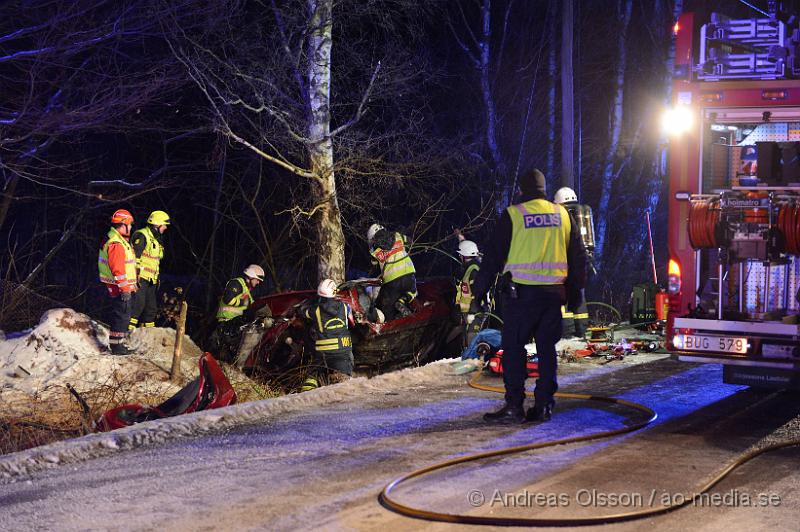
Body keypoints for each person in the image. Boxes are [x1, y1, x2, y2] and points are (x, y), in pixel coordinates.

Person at [471, 169, 586, 424]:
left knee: (513, 350)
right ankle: (544, 405)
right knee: (547, 350)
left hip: (520, 296)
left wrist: (479, 293)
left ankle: (514, 406)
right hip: (553, 295)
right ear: (545, 190)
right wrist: (576, 292)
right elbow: (578, 258)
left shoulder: (514, 215)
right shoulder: (563, 216)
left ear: (521, 190)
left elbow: (492, 258)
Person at [300, 278, 355, 391]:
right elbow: (352, 318)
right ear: (334, 292)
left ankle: (306, 399)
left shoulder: (315, 310)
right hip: (343, 353)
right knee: (344, 384)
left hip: (323, 355)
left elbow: (303, 313)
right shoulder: (345, 307)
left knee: (313, 376)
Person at [98, 209, 139, 355]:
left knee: (123, 315)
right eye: (129, 224)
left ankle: (119, 344)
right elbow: (118, 270)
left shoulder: (119, 240)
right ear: (123, 225)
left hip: (119, 286)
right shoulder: (116, 244)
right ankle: (116, 347)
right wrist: (125, 289)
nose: (131, 227)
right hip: (119, 287)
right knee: (122, 315)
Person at [553, 187, 590, 339]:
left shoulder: (557, 217)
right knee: (579, 300)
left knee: (564, 305)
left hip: (562, 267)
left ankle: (567, 336)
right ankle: (582, 333)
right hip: (578, 265)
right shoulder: (581, 216)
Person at [212, 264, 265, 361]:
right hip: (226, 324)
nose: (258, 283)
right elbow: (227, 299)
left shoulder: (247, 291)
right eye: (257, 280)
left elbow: (253, 308)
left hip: (235, 324)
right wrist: (242, 302)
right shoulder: (236, 283)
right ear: (251, 276)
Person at [367, 223, 417, 321]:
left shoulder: (374, 250)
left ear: (372, 238)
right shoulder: (397, 235)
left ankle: (392, 325)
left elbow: (375, 268)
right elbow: (410, 242)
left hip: (391, 280)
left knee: (387, 306)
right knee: (412, 292)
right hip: (408, 274)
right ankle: (402, 301)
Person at [129, 210, 170, 330]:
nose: (166, 227)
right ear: (157, 224)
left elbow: (154, 261)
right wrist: (135, 276)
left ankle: (148, 336)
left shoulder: (157, 239)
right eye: (164, 225)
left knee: (151, 310)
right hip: (140, 278)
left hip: (151, 279)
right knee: (137, 306)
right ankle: (127, 334)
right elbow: (134, 258)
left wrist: (156, 278)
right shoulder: (142, 235)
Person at [454, 235, 483, 344]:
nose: (459, 257)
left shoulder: (474, 271)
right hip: (469, 312)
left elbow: (478, 293)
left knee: (472, 339)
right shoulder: (470, 268)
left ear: (463, 256)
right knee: (467, 340)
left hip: (475, 312)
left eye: (460, 255)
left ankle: (474, 359)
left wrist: (472, 312)